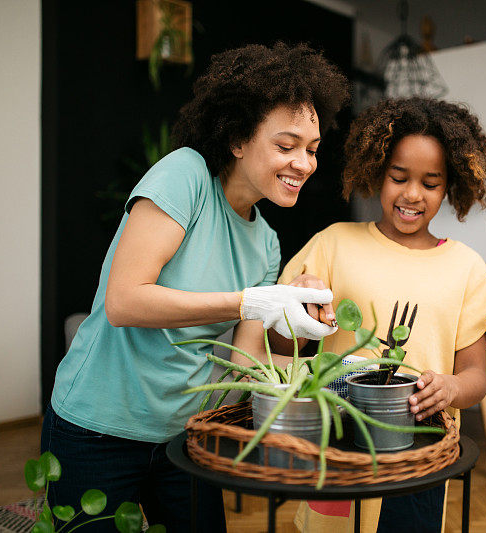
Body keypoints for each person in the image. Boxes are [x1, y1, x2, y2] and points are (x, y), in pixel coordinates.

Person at [41, 42, 349, 532]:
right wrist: (251, 300)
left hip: (186, 436)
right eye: (286, 145)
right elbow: (124, 301)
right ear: (237, 139)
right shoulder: (186, 176)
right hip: (98, 429)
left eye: (311, 149)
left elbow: (242, 366)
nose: (304, 164)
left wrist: (322, 355)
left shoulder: (266, 244)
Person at [275, 96, 486, 533]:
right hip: (339, 444)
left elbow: (476, 378)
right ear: (377, 171)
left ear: (451, 186)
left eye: (431, 183)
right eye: (398, 177)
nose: (412, 195)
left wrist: (452, 388)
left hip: (420, 450)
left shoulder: (466, 269)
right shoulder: (333, 244)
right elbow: (281, 348)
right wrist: (291, 307)